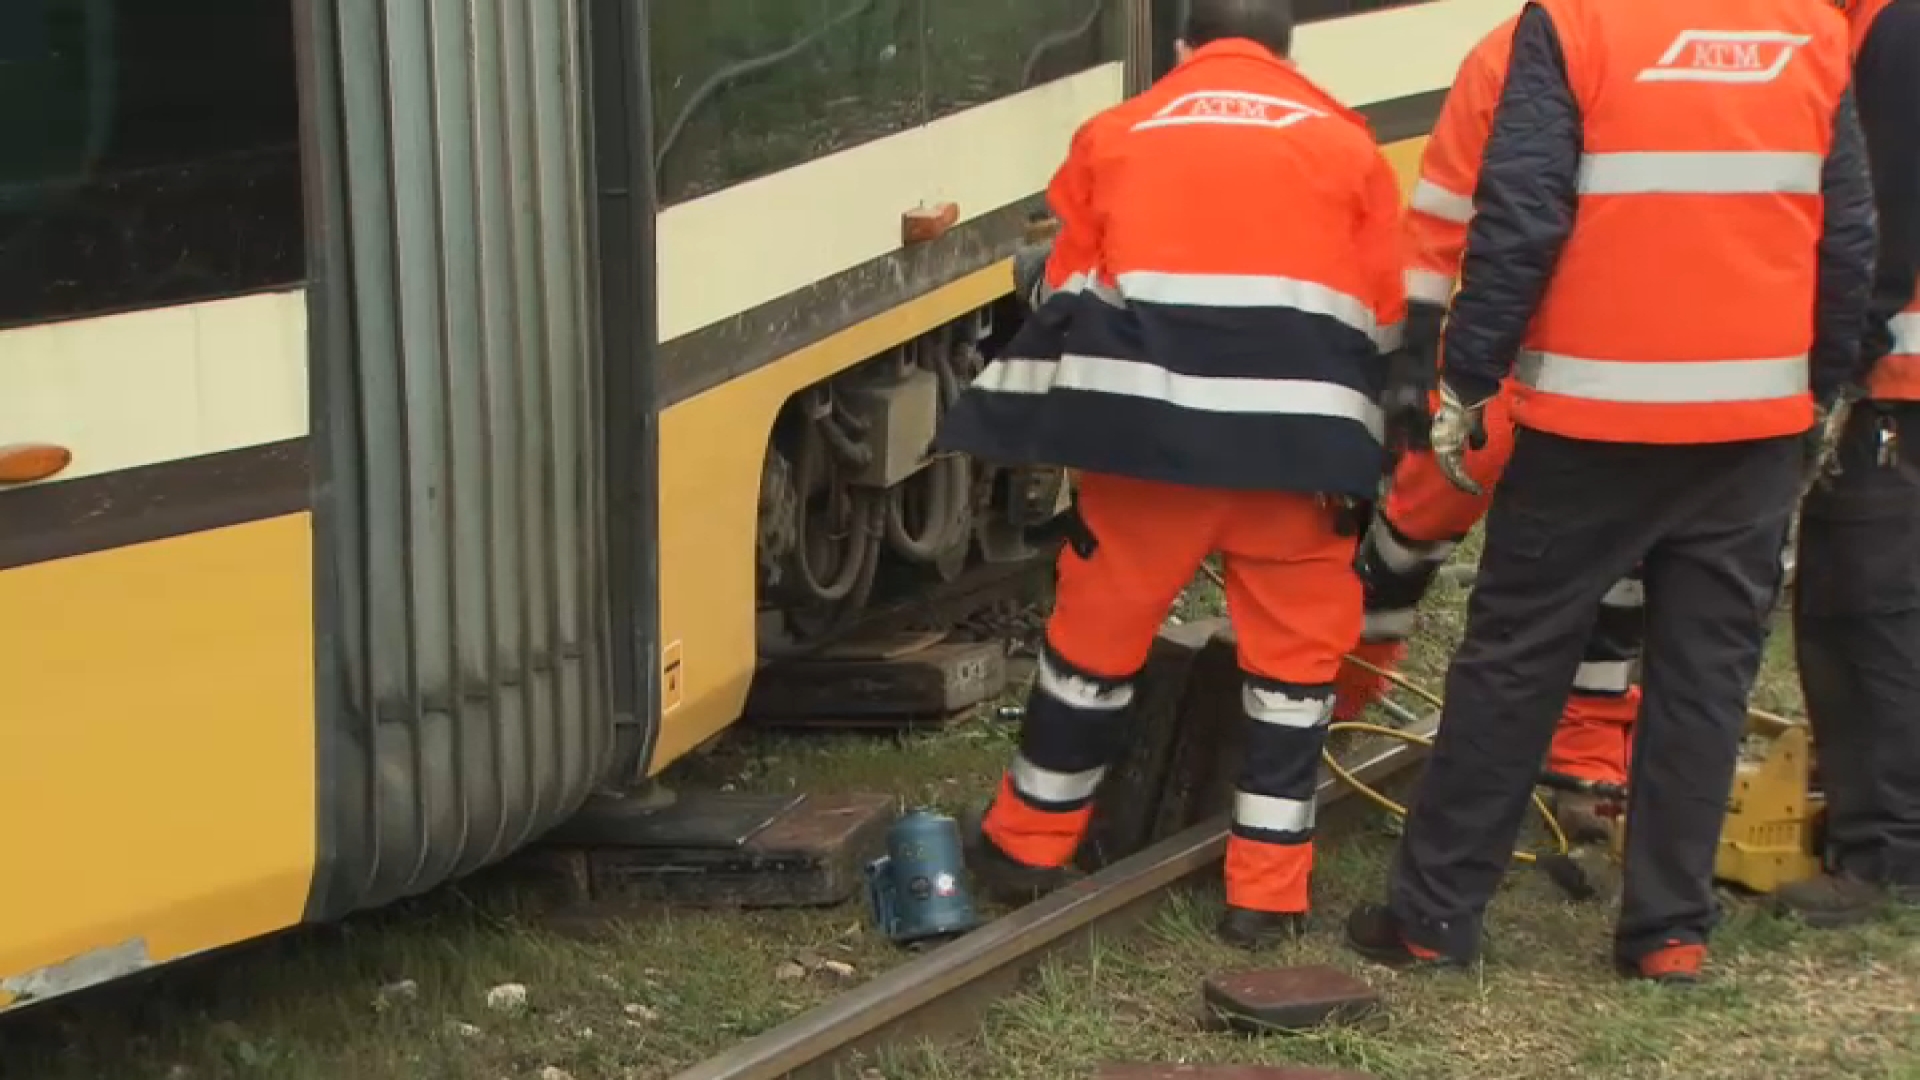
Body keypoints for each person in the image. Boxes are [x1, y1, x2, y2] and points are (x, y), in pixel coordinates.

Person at [1341, 0, 1877, 984]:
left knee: (1512, 661)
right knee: (1706, 678)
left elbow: (1523, 214)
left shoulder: (1576, 24)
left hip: (1589, 423)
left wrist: (1467, 380)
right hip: (1750, 424)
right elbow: (1847, 233)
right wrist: (1822, 391)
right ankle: (1669, 933)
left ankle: (1432, 922)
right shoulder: (1812, 29)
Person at [934, 0, 1418, 949]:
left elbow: (1068, 290)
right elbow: (1386, 316)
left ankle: (1026, 849)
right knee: (1292, 678)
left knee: (1091, 652)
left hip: (1150, 454)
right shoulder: (1349, 146)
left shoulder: (1115, 134)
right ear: (1287, 49)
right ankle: (1266, 898)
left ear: (1186, 46)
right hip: (1295, 461)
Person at [1335, 14, 1645, 843]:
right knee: (1615, 580)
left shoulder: (1509, 51)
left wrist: (1416, 361)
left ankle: (1329, 713)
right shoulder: (1723, 48)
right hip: (1617, 383)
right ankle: (1589, 777)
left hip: (1491, 380)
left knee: (1401, 551)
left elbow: (1439, 220)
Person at [1771, 0, 1920, 929]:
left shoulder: (1898, 26)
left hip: (1896, 380)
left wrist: (1841, 363)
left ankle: (1886, 850)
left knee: (1859, 611)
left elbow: (1887, 206)